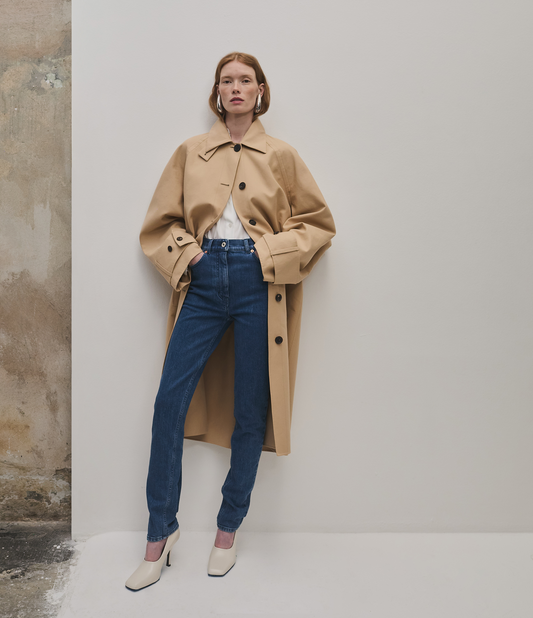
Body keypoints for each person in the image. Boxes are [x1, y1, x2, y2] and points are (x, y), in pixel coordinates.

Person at [125, 52, 335, 591]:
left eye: (246, 80)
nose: (236, 88)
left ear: (260, 90)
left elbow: (318, 225)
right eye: (227, 81)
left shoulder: (281, 154)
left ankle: (227, 529)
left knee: (250, 410)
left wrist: (267, 253)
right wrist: (191, 256)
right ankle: (159, 533)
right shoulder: (190, 152)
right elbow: (160, 223)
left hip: (257, 281)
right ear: (217, 92)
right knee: (168, 404)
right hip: (202, 278)